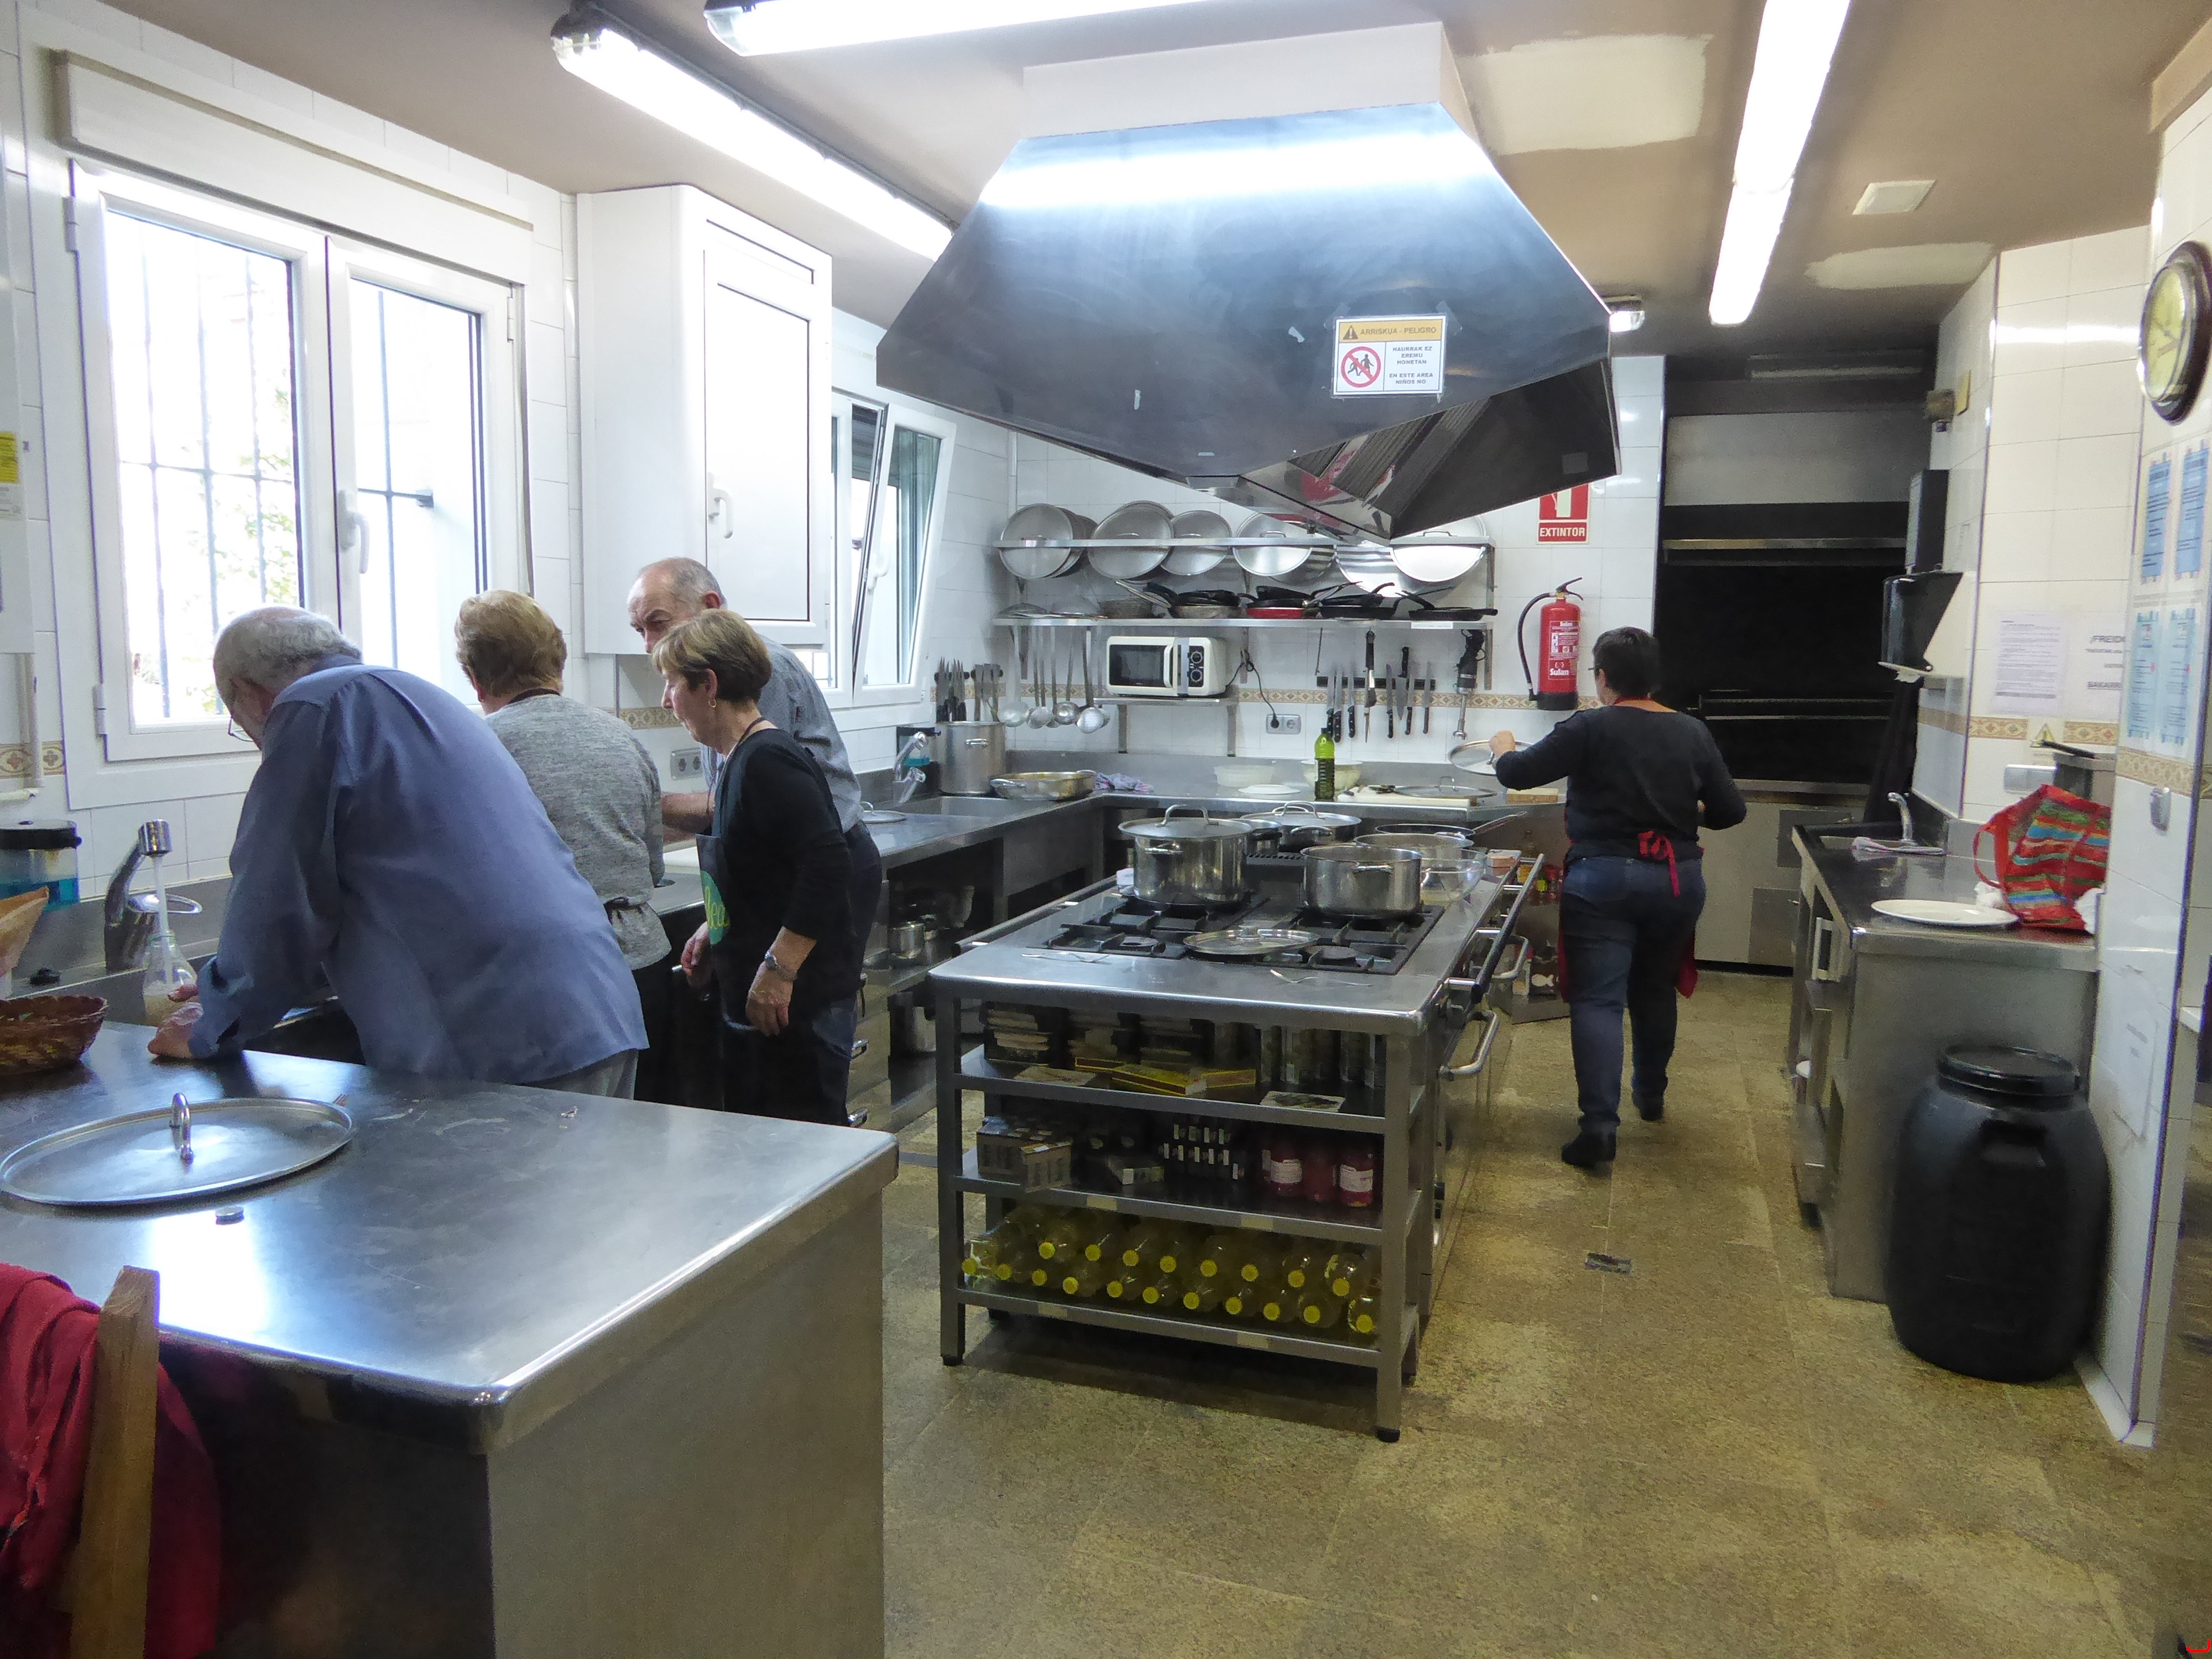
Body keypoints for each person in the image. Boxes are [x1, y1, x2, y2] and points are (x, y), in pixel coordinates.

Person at [147, 607, 646, 1094]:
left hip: (497, 1040)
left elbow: (278, 896)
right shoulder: (423, 696)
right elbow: (407, 890)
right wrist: (223, 984)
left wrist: (214, 1020)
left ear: (247, 692)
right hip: (597, 1010)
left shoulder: (312, 708)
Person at [1489, 625, 1745, 1169]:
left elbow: (1518, 773)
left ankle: (1599, 1131)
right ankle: (1650, 1097)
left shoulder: (1590, 726)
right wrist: (1682, 810)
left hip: (1603, 881)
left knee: (1599, 1001)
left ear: (1603, 678)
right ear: (1654, 678)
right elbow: (1730, 812)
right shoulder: (1692, 732)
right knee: (1654, 990)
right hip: (1674, 881)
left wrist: (1502, 746)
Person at [455, 590, 678, 1103]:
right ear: (558, 661)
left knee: (558, 1140)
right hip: (642, 965)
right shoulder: (620, 735)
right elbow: (652, 864)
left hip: (551, 980)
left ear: (475, 677)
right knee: (648, 1132)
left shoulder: (476, 746)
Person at [654, 608, 858, 1124]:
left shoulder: (767, 759)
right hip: (764, 1006)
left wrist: (778, 969)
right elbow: (765, 867)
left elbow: (828, 862)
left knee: (804, 1149)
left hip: (795, 1008)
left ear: (709, 685)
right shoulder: (738, 760)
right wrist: (716, 927)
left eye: (672, 684)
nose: (666, 700)